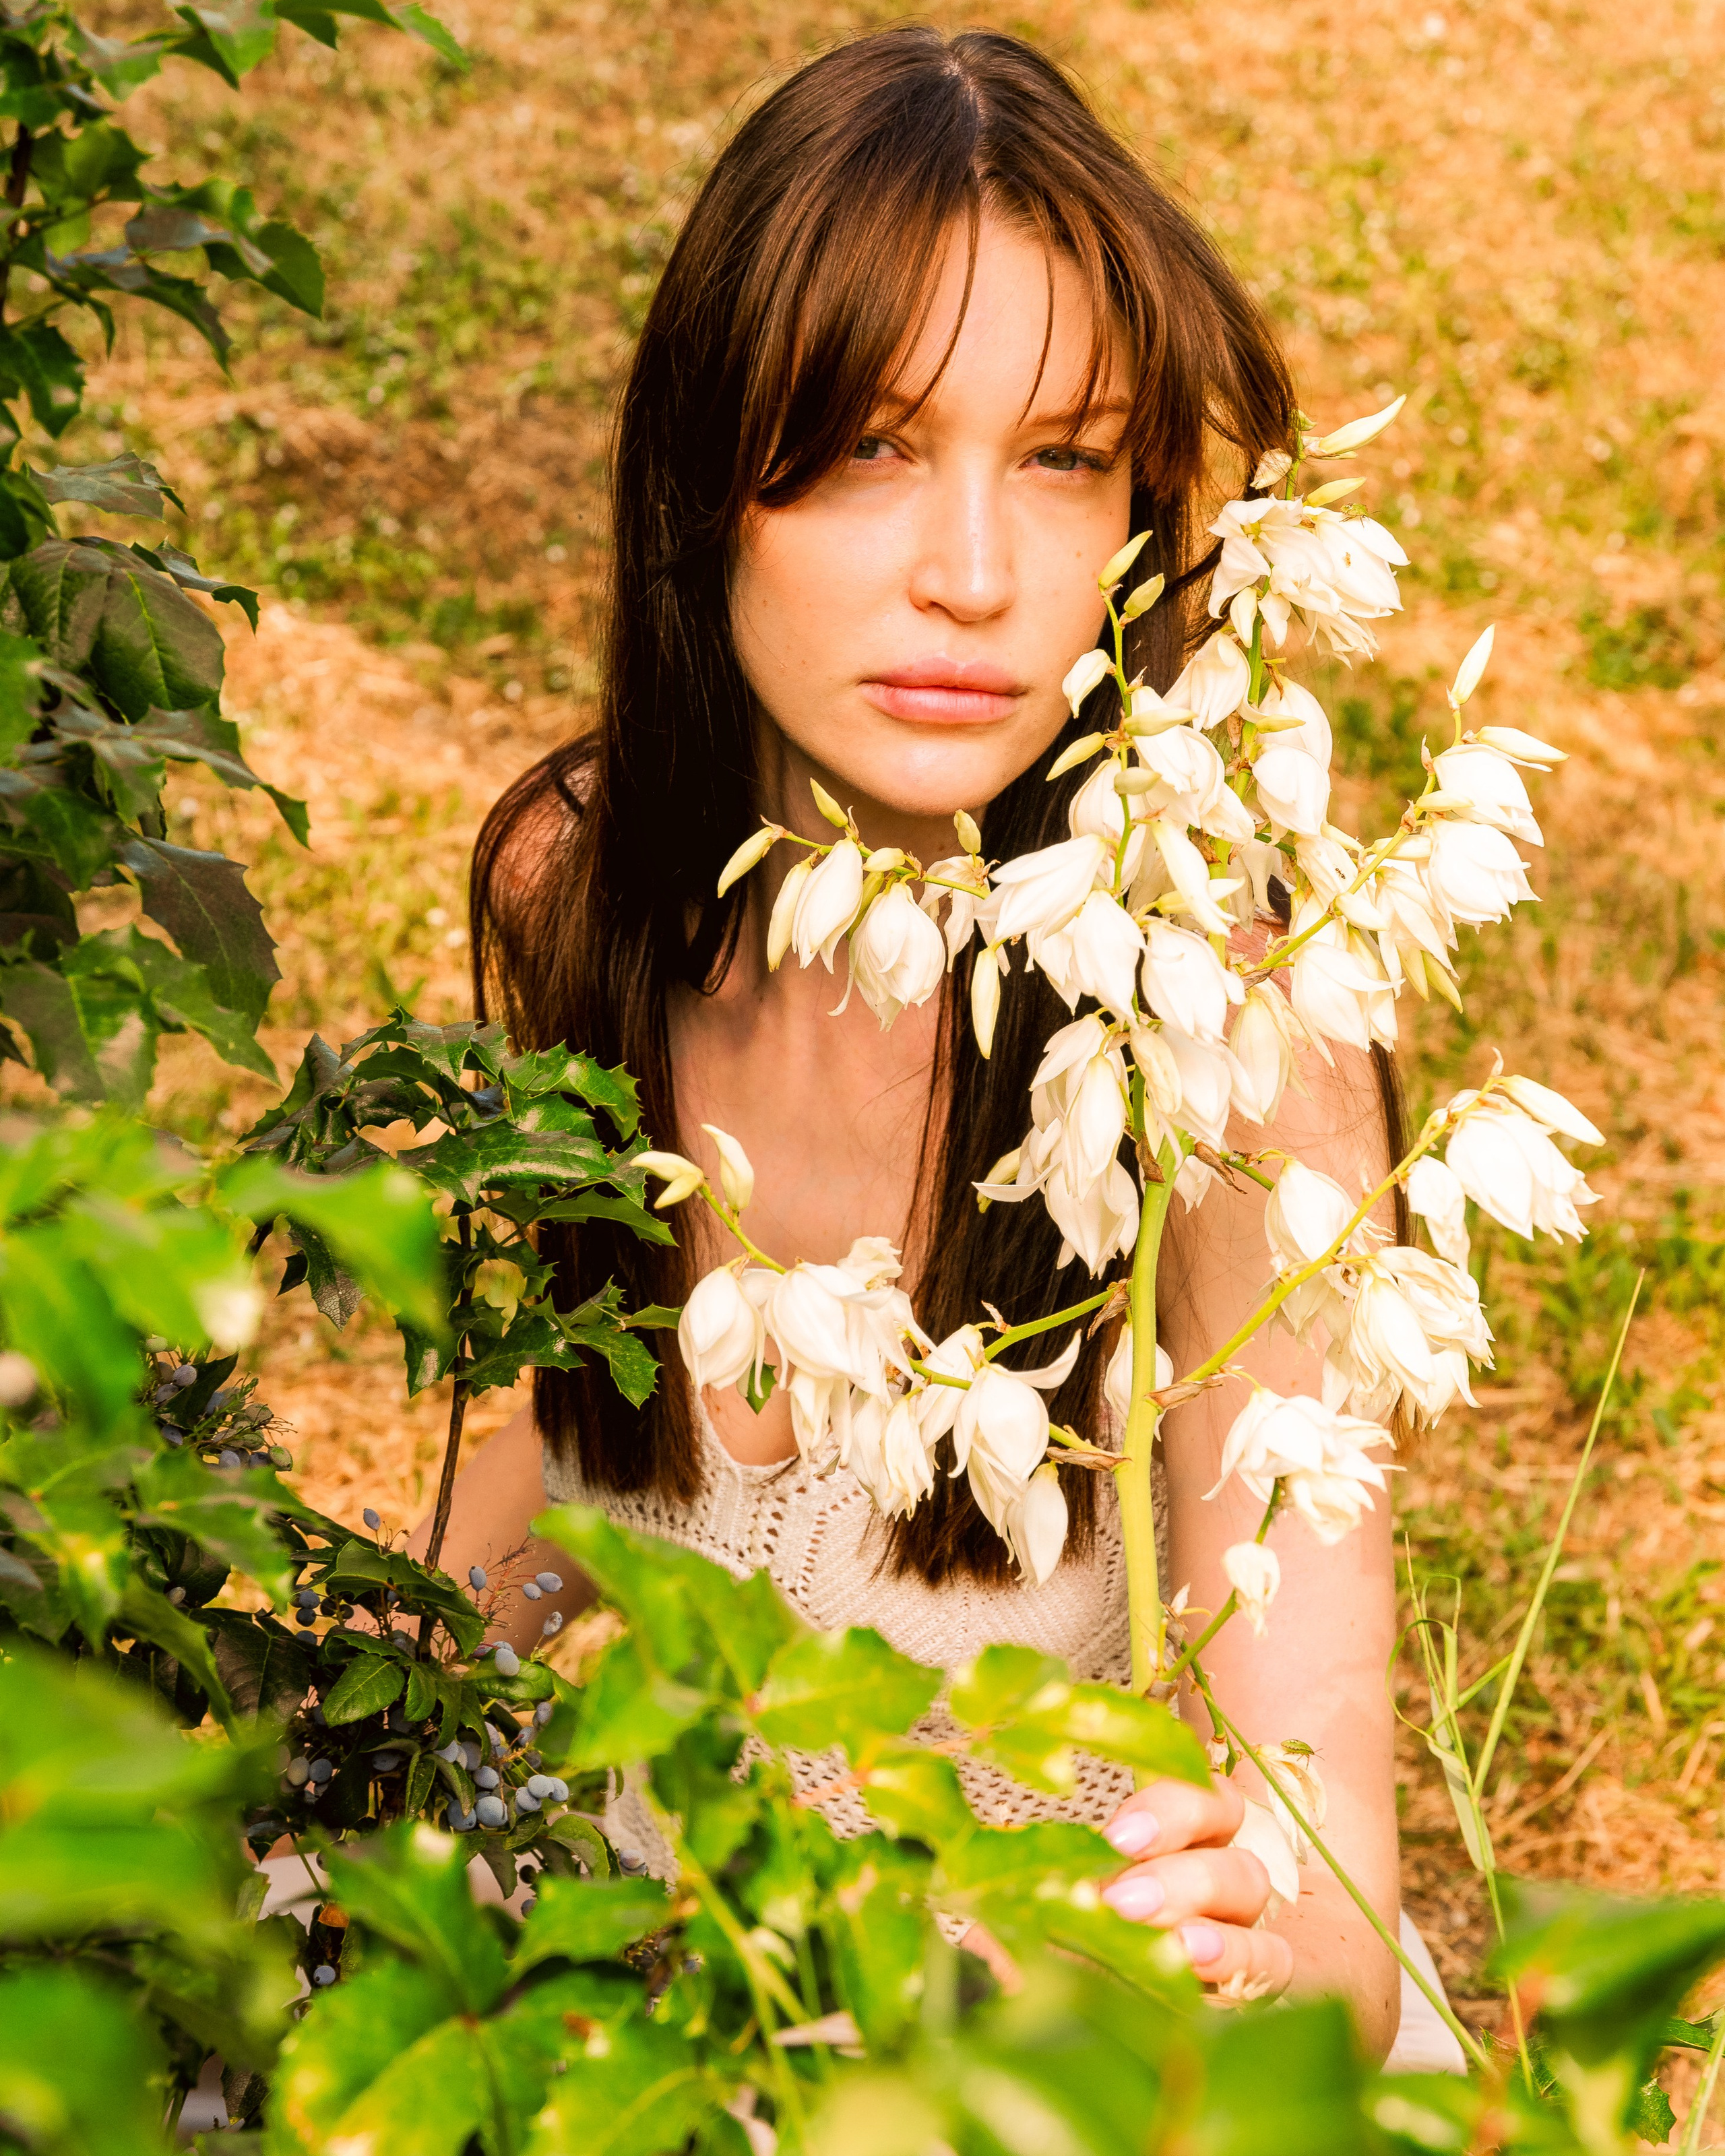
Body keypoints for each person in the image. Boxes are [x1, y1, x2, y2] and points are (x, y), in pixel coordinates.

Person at [415, 24, 1432, 2063]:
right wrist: (392, 1705)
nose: (973, 581)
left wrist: (1220, 1951)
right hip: (663, 1979)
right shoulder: (579, 892)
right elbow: (568, 1444)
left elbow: (1331, 1891)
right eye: (872, 446)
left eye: (1062, 458)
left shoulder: (1219, 1029)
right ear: (707, 480)